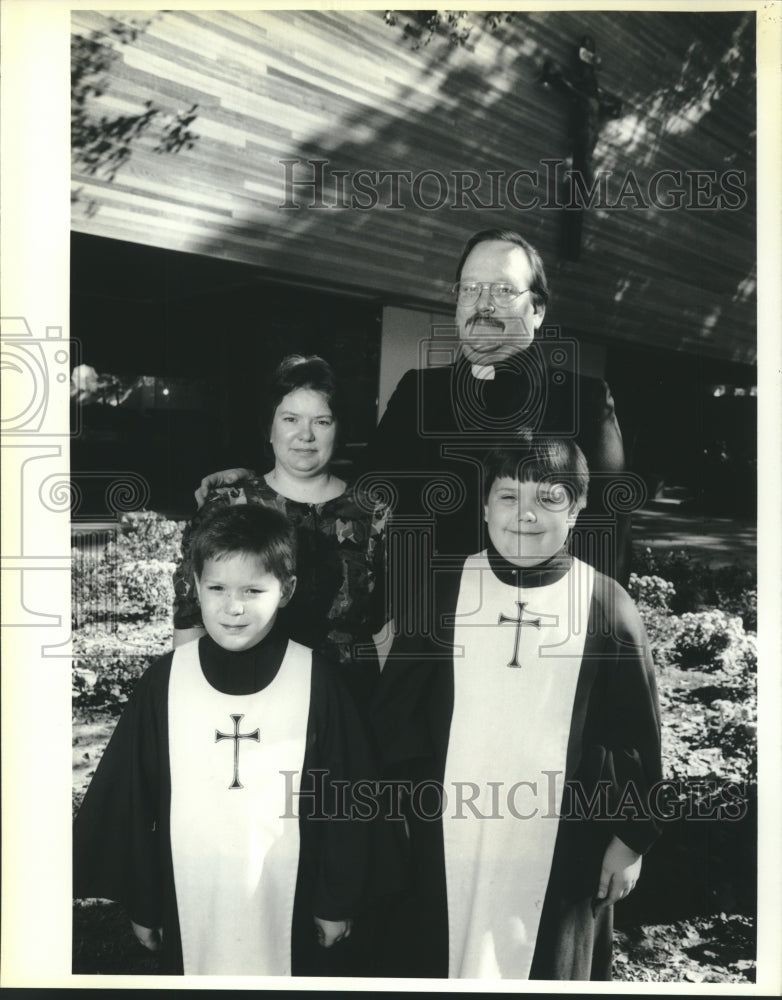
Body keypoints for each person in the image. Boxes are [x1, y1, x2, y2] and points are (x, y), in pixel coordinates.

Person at [371, 430, 662, 979]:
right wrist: (402, 820)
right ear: (484, 506)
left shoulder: (604, 604)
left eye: (549, 497)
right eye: (508, 496)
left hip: (562, 845)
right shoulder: (445, 592)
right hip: (447, 839)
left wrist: (629, 838)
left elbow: (633, 737)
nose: (525, 515)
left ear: (577, 510)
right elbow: (396, 717)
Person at [195, 229, 631, 586]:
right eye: (471, 289)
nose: (483, 304)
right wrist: (264, 481)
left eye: (502, 290)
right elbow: (362, 493)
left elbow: (606, 539)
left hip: (533, 631)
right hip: (428, 638)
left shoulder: (584, 401)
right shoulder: (421, 391)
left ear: (536, 309)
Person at [73, 504, 373, 976]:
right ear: (195, 587)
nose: (234, 607)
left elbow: (348, 798)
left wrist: (336, 900)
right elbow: (131, 800)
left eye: (253, 590)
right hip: (187, 892)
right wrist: (144, 904)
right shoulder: (165, 682)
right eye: (217, 588)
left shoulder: (318, 681)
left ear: (287, 590)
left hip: (292, 894)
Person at [174, 354, 389, 706]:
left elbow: (387, 627)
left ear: (340, 428)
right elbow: (189, 616)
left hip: (348, 702)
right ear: (269, 427)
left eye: (322, 421)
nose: (305, 435)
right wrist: (189, 704)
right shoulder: (226, 505)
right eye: (291, 419)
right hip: (246, 695)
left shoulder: (375, 512)